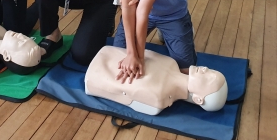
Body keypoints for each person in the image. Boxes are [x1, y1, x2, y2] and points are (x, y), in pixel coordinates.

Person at [85, 45, 228, 114]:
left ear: (199, 99)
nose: (205, 69)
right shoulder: (172, 63)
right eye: (211, 70)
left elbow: (123, 94)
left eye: (207, 78)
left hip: (96, 74)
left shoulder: (159, 98)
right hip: (113, 55)